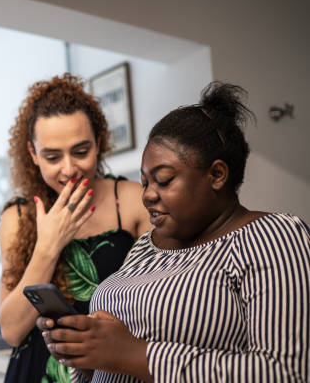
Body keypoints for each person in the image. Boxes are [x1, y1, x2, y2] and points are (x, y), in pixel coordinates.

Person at [37, 81, 310, 382]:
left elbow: (286, 372)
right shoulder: (145, 246)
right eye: (145, 183)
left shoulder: (274, 237)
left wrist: (133, 354)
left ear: (217, 175)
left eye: (164, 180)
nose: (148, 196)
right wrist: (85, 355)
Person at [0, 73, 152, 382]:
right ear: (33, 154)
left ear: (99, 142)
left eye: (81, 151)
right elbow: (12, 331)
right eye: (52, 157)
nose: (69, 169)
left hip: (111, 371)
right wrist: (49, 245)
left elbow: (158, 307)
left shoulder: (133, 201)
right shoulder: (18, 217)